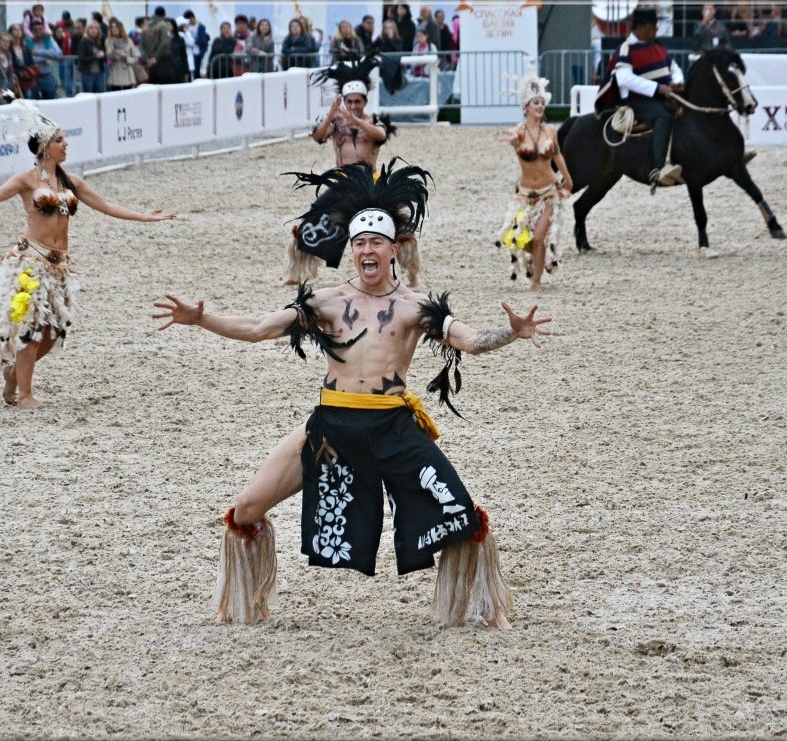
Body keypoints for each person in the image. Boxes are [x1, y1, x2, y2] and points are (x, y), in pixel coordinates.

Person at [152, 158, 551, 627]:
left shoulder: (414, 307)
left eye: (376, 243)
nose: (367, 250)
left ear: (394, 250)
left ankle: (480, 611)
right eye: (359, 242)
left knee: (462, 518)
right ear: (351, 249)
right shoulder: (326, 301)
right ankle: (246, 603)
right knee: (245, 510)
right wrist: (203, 319)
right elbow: (260, 328)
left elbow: (466, 340)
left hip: (393, 427)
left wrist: (510, 333)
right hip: (331, 428)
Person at [0, 101, 175, 409]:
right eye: (60, 140)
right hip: (31, 261)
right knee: (31, 329)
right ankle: (25, 394)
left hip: (59, 267)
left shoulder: (71, 181)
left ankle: (12, 376)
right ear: (45, 147)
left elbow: (106, 206)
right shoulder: (26, 180)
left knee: (52, 332)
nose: (66, 144)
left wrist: (143, 217)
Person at [289, 52, 410, 287]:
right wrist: (331, 116)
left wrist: (357, 122)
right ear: (345, 101)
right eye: (350, 102)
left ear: (365, 101)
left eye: (358, 102)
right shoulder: (337, 122)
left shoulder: (374, 120)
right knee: (310, 225)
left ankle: (409, 271)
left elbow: (381, 136)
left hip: (370, 181)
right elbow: (318, 137)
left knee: (400, 226)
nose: (353, 106)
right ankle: (298, 272)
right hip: (343, 181)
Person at [497, 71, 574, 291]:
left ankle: (536, 282)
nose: (540, 106)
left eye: (542, 102)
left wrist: (568, 181)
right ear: (526, 107)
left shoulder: (550, 131)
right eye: (535, 102)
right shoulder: (519, 133)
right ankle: (543, 257)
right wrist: (511, 139)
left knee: (539, 238)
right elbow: (512, 138)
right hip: (524, 195)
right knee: (512, 238)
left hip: (549, 193)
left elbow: (557, 156)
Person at [596, 6, 684, 188]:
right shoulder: (625, 49)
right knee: (664, 115)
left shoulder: (657, 46)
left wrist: (677, 81)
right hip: (637, 101)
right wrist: (658, 88)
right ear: (641, 27)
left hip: (661, 96)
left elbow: (674, 68)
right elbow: (624, 79)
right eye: (653, 26)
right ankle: (659, 168)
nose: (656, 30)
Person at [25, 19, 62, 99]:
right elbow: (28, 58)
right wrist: (45, 57)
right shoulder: (28, 42)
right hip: (32, 77)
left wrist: (38, 53)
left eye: (40, 29)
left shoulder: (49, 40)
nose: (38, 31)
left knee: (50, 99)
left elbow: (58, 54)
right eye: (35, 29)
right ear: (31, 31)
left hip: (46, 75)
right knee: (32, 101)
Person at [140, 6, 173, 85]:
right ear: (164, 15)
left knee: (152, 88)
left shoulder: (146, 27)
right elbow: (165, 43)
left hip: (149, 64)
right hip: (162, 62)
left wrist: (147, 58)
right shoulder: (163, 25)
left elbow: (141, 45)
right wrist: (155, 57)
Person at [105, 18, 138, 91]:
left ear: (120, 28)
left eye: (116, 27)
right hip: (116, 72)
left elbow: (135, 57)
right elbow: (109, 55)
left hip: (127, 71)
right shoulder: (109, 40)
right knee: (116, 95)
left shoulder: (128, 40)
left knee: (127, 95)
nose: (114, 29)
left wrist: (127, 59)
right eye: (112, 27)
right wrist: (115, 49)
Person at [77, 20, 107, 93]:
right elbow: (82, 58)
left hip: (99, 72)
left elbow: (105, 56)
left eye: (96, 28)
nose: (94, 30)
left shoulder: (100, 40)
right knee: (88, 94)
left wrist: (104, 55)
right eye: (91, 28)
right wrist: (95, 57)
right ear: (87, 29)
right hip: (87, 73)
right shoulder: (83, 42)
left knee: (101, 92)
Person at [183, 10, 210, 79]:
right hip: (190, 52)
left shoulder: (200, 27)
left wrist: (192, 41)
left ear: (192, 17)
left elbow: (202, 41)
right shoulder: (187, 26)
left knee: (197, 70)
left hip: (198, 52)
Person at [165, 17, 191, 83]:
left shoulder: (180, 39)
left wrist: (186, 71)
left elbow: (184, 56)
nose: (167, 27)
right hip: (165, 70)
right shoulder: (162, 40)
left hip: (178, 68)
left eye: (168, 25)